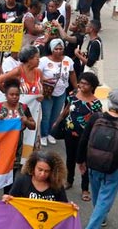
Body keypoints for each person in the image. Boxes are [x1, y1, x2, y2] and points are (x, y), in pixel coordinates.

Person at [76, 88, 118, 229]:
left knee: (96, 193)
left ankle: (102, 218)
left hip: (92, 163)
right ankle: (94, 225)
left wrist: (80, 161)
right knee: (105, 198)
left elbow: (84, 139)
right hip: (113, 168)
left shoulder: (96, 117)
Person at [59, 71, 101, 201]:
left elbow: (98, 121)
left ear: (92, 86)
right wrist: (58, 122)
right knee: (70, 158)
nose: (82, 85)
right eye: (81, 82)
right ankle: (69, 180)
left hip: (85, 138)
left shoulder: (96, 103)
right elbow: (66, 110)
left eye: (86, 84)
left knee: (84, 161)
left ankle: (85, 189)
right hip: (69, 133)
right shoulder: (72, 96)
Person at [39, 38, 77, 146]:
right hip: (48, 93)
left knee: (56, 115)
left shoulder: (68, 60)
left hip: (61, 92)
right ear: (51, 49)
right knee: (46, 115)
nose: (59, 51)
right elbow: (37, 74)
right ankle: (43, 134)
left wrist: (75, 87)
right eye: (56, 49)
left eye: (61, 49)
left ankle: (51, 133)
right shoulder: (44, 61)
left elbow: (72, 73)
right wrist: (44, 80)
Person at [3, 150, 71, 204]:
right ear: (33, 167)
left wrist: (71, 207)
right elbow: (11, 200)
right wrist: (6, 199)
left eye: (47, 171)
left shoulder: (57, 184)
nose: (42, 174)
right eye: (40, 170)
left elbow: (64, 205)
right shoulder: (22, 181)